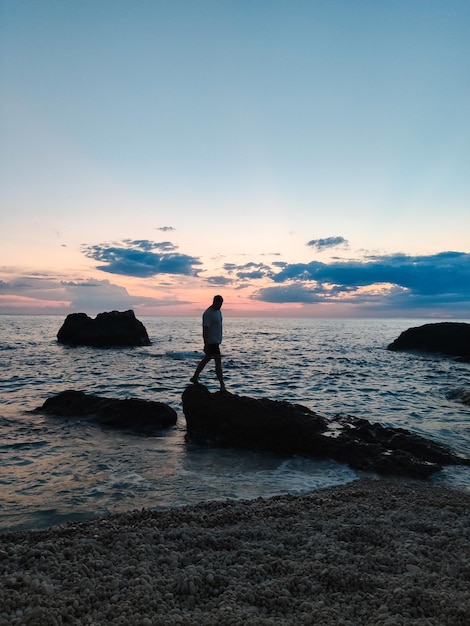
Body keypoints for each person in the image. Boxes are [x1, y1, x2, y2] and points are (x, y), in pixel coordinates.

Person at [190, 295, 226, 391]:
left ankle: (194, 377)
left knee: (206, 359)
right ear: (214, 302)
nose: (220, 306)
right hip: (211, 342)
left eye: (221, 304)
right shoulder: (208, 313)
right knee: (218, 361)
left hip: (216, 341)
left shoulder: (218, 312)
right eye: (218, 304)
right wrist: (205, 343)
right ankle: (222, 385)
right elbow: (205, 328)